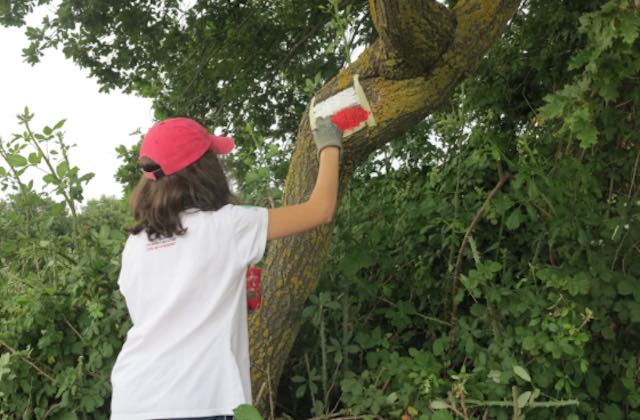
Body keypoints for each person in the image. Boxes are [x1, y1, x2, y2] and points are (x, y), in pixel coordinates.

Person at [110, 116, 342, 420]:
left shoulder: (137, 243)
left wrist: (225, 289)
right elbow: (319, 210)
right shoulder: (230, 225)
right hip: (201, 401)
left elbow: (161, 310)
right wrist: (330, 146)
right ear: (204, 171)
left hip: (134, 401)